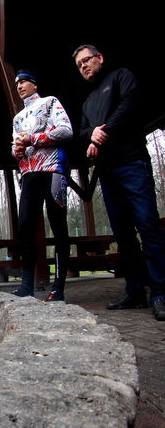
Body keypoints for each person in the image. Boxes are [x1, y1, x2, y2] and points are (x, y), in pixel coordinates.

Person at [73, 44, 165, 320]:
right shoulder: (88, 102)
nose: (83, 67)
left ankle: (160, 292)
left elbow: (130, 104)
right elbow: (83, 130)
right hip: (107, 172)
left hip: (132, 162)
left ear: (100, 58)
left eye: (86, 60)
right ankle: (135, 291)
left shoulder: (121, 77)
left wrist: (104, 132)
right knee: (123, 233)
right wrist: (92, 136)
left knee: (147, 225)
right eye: (79, 65)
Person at [10, 70, 73, 302]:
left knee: (58, 226)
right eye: (17, 83)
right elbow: (15, 146)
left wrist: (33, 139)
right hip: (28, 173)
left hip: (52, 169)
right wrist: (16, 151)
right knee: (25, 226)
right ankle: (27, 285)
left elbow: (66, 131)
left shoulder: (50, 102)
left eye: (24, 81)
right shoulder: (17, 118)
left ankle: (58, 288)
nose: (19, 86)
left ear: (35, 85)